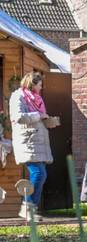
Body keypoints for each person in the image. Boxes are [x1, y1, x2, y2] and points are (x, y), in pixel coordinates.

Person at [8, 71, 55, 221]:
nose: (41, 88)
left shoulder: (37, 99)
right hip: (27, 142)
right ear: (32, 84)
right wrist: (39, 116)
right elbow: (19, 117)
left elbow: (37, 118)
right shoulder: (19, 96)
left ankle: (30, 208)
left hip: (37, 142)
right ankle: (27, 207)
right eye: (39, 84)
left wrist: (49, 121)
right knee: (39, 174)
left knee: (41, 174)